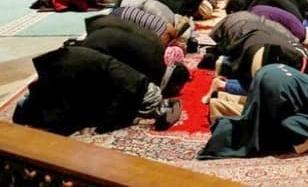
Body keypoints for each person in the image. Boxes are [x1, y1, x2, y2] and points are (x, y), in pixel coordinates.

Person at [12, 46, 182, 136]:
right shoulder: (62, 73)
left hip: (136, 92)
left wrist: (103, 126)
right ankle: (158, 109)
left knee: (77, 113)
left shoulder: (59, 72)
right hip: (137, 88)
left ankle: (156, 110)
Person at [198, 64, 308, 158]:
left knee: (255, 107)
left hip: (270, 70)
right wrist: (307, 145)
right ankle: (222, 126)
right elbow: (289, 123)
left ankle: (219, 102)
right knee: (258, 123)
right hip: (275, 85)